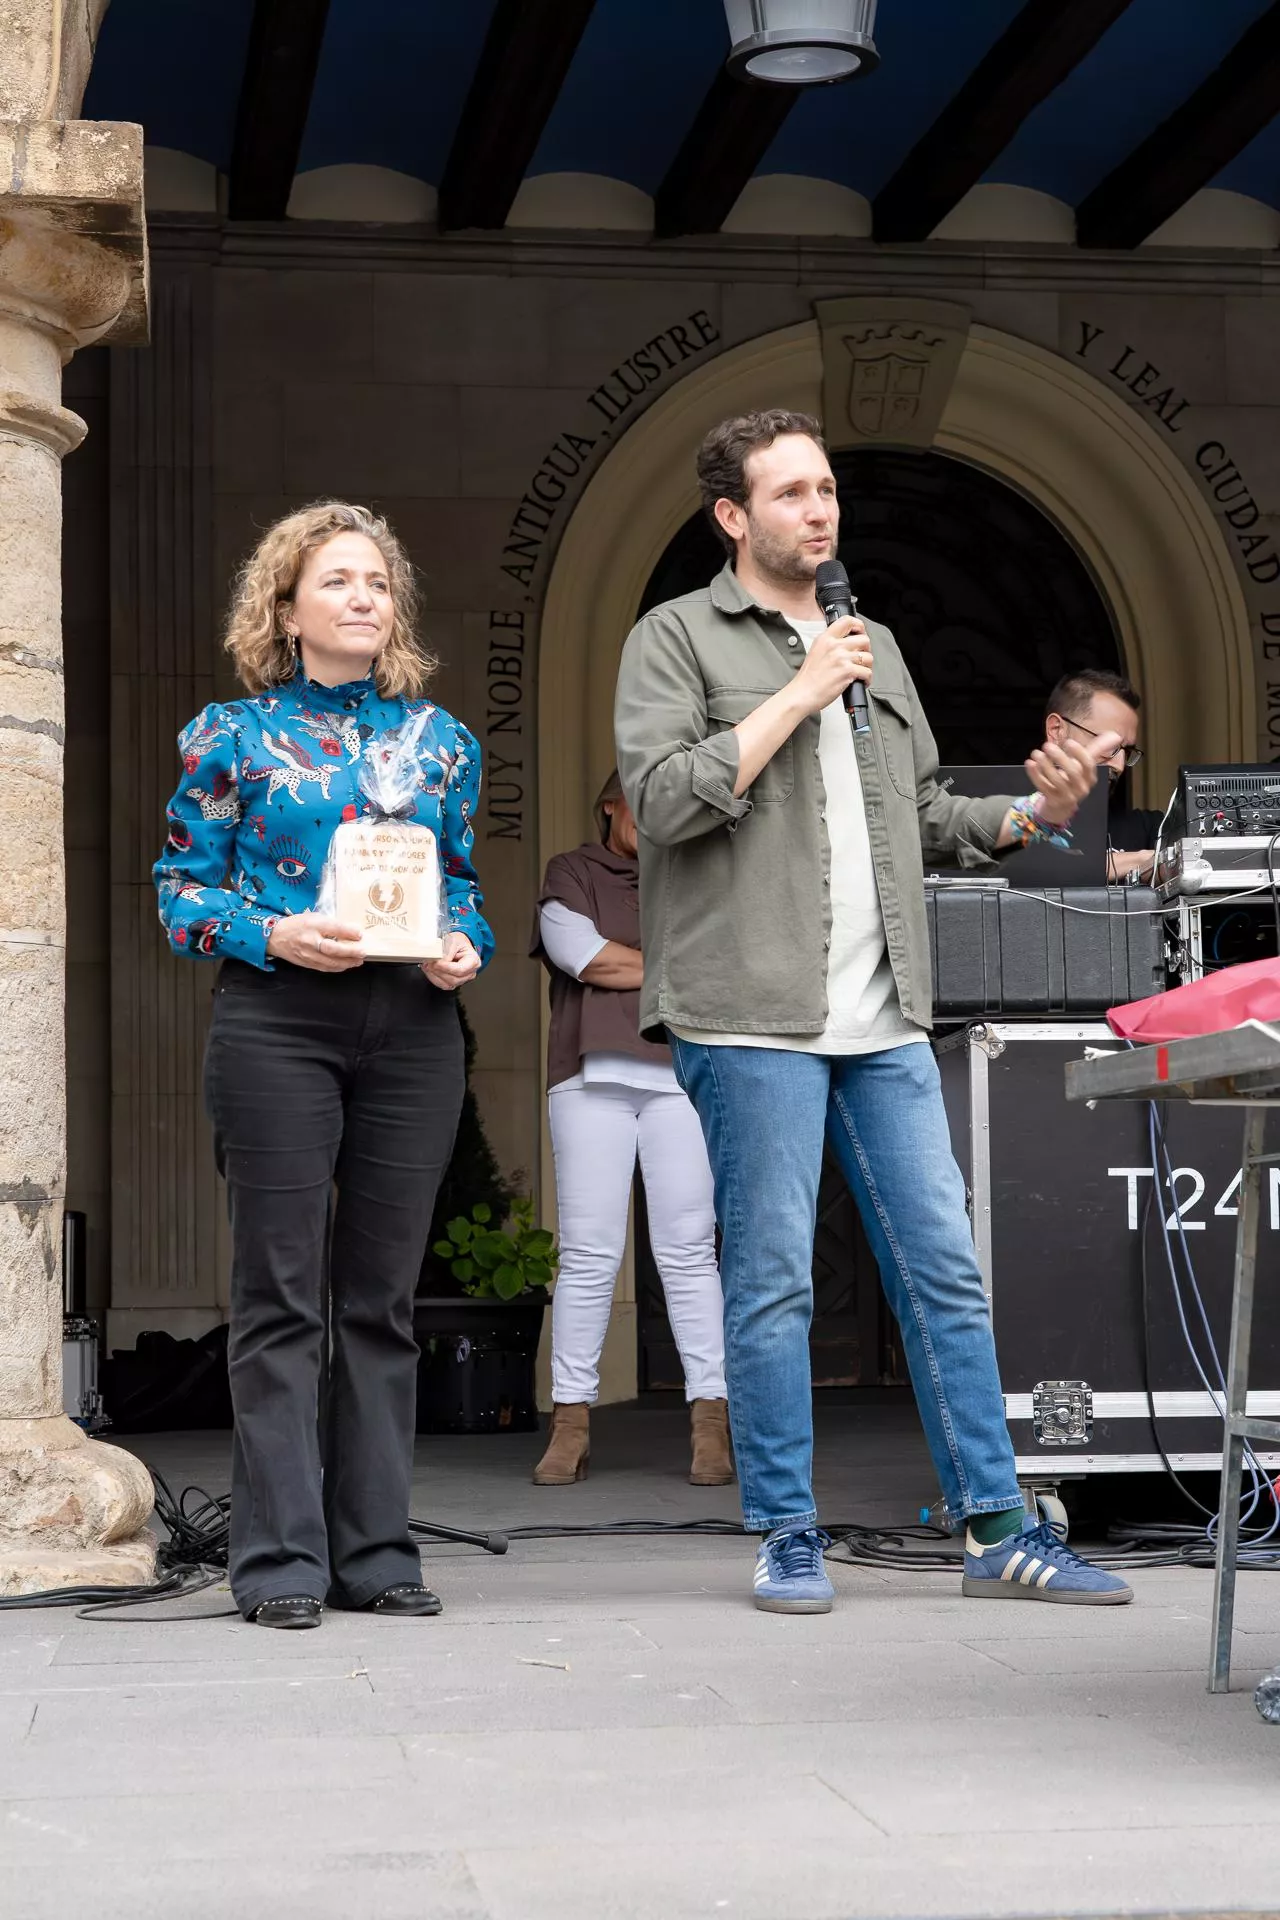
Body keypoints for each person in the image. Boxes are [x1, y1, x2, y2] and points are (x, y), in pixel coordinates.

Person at [614, 409, 1134, 1614]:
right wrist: (795, 691)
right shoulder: (675, 639)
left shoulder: (876, 644)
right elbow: (664, 802)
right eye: (791, 492)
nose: (820, 510)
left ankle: (997, 1527)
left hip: (885, 1011)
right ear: (732, 517)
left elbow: (924, 809)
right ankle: (786, 1529)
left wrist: (1030, 815)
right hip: (751, 1013)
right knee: (773, 1281)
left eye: (827, 490)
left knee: (944, 1273)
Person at [154, 501, 492, 1630]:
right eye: (336, 581)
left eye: (377, 584)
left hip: (410, 1027)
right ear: (286, 608)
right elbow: (180, 893)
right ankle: (279, 1561)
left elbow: (464, 885)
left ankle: (377, 1551)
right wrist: (271, 932)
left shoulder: (441, 742)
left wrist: (464, 946)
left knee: (382, 1302)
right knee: (280, 1296)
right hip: (280, 1022)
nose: (361, 597)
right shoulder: (231, 735)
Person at [529, 772, 731, 1487]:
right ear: (609, 804)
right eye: (638, 803)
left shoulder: (698, 874)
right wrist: (682, 971)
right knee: (588, 1256)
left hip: (684, 1077)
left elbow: (726, 962)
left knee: (688, 1253)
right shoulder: (572, 871)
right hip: (589, 1081)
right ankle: (571, 1424)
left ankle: (713, 1422)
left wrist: (655, 970)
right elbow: (584, 957)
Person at [1044, 668, 1159, 882]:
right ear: (1056, 730)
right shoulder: (994, 813)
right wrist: (1140, 860)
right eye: (1108, 744)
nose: (1120, 765)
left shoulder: (1149, 827)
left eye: (1126, 751)